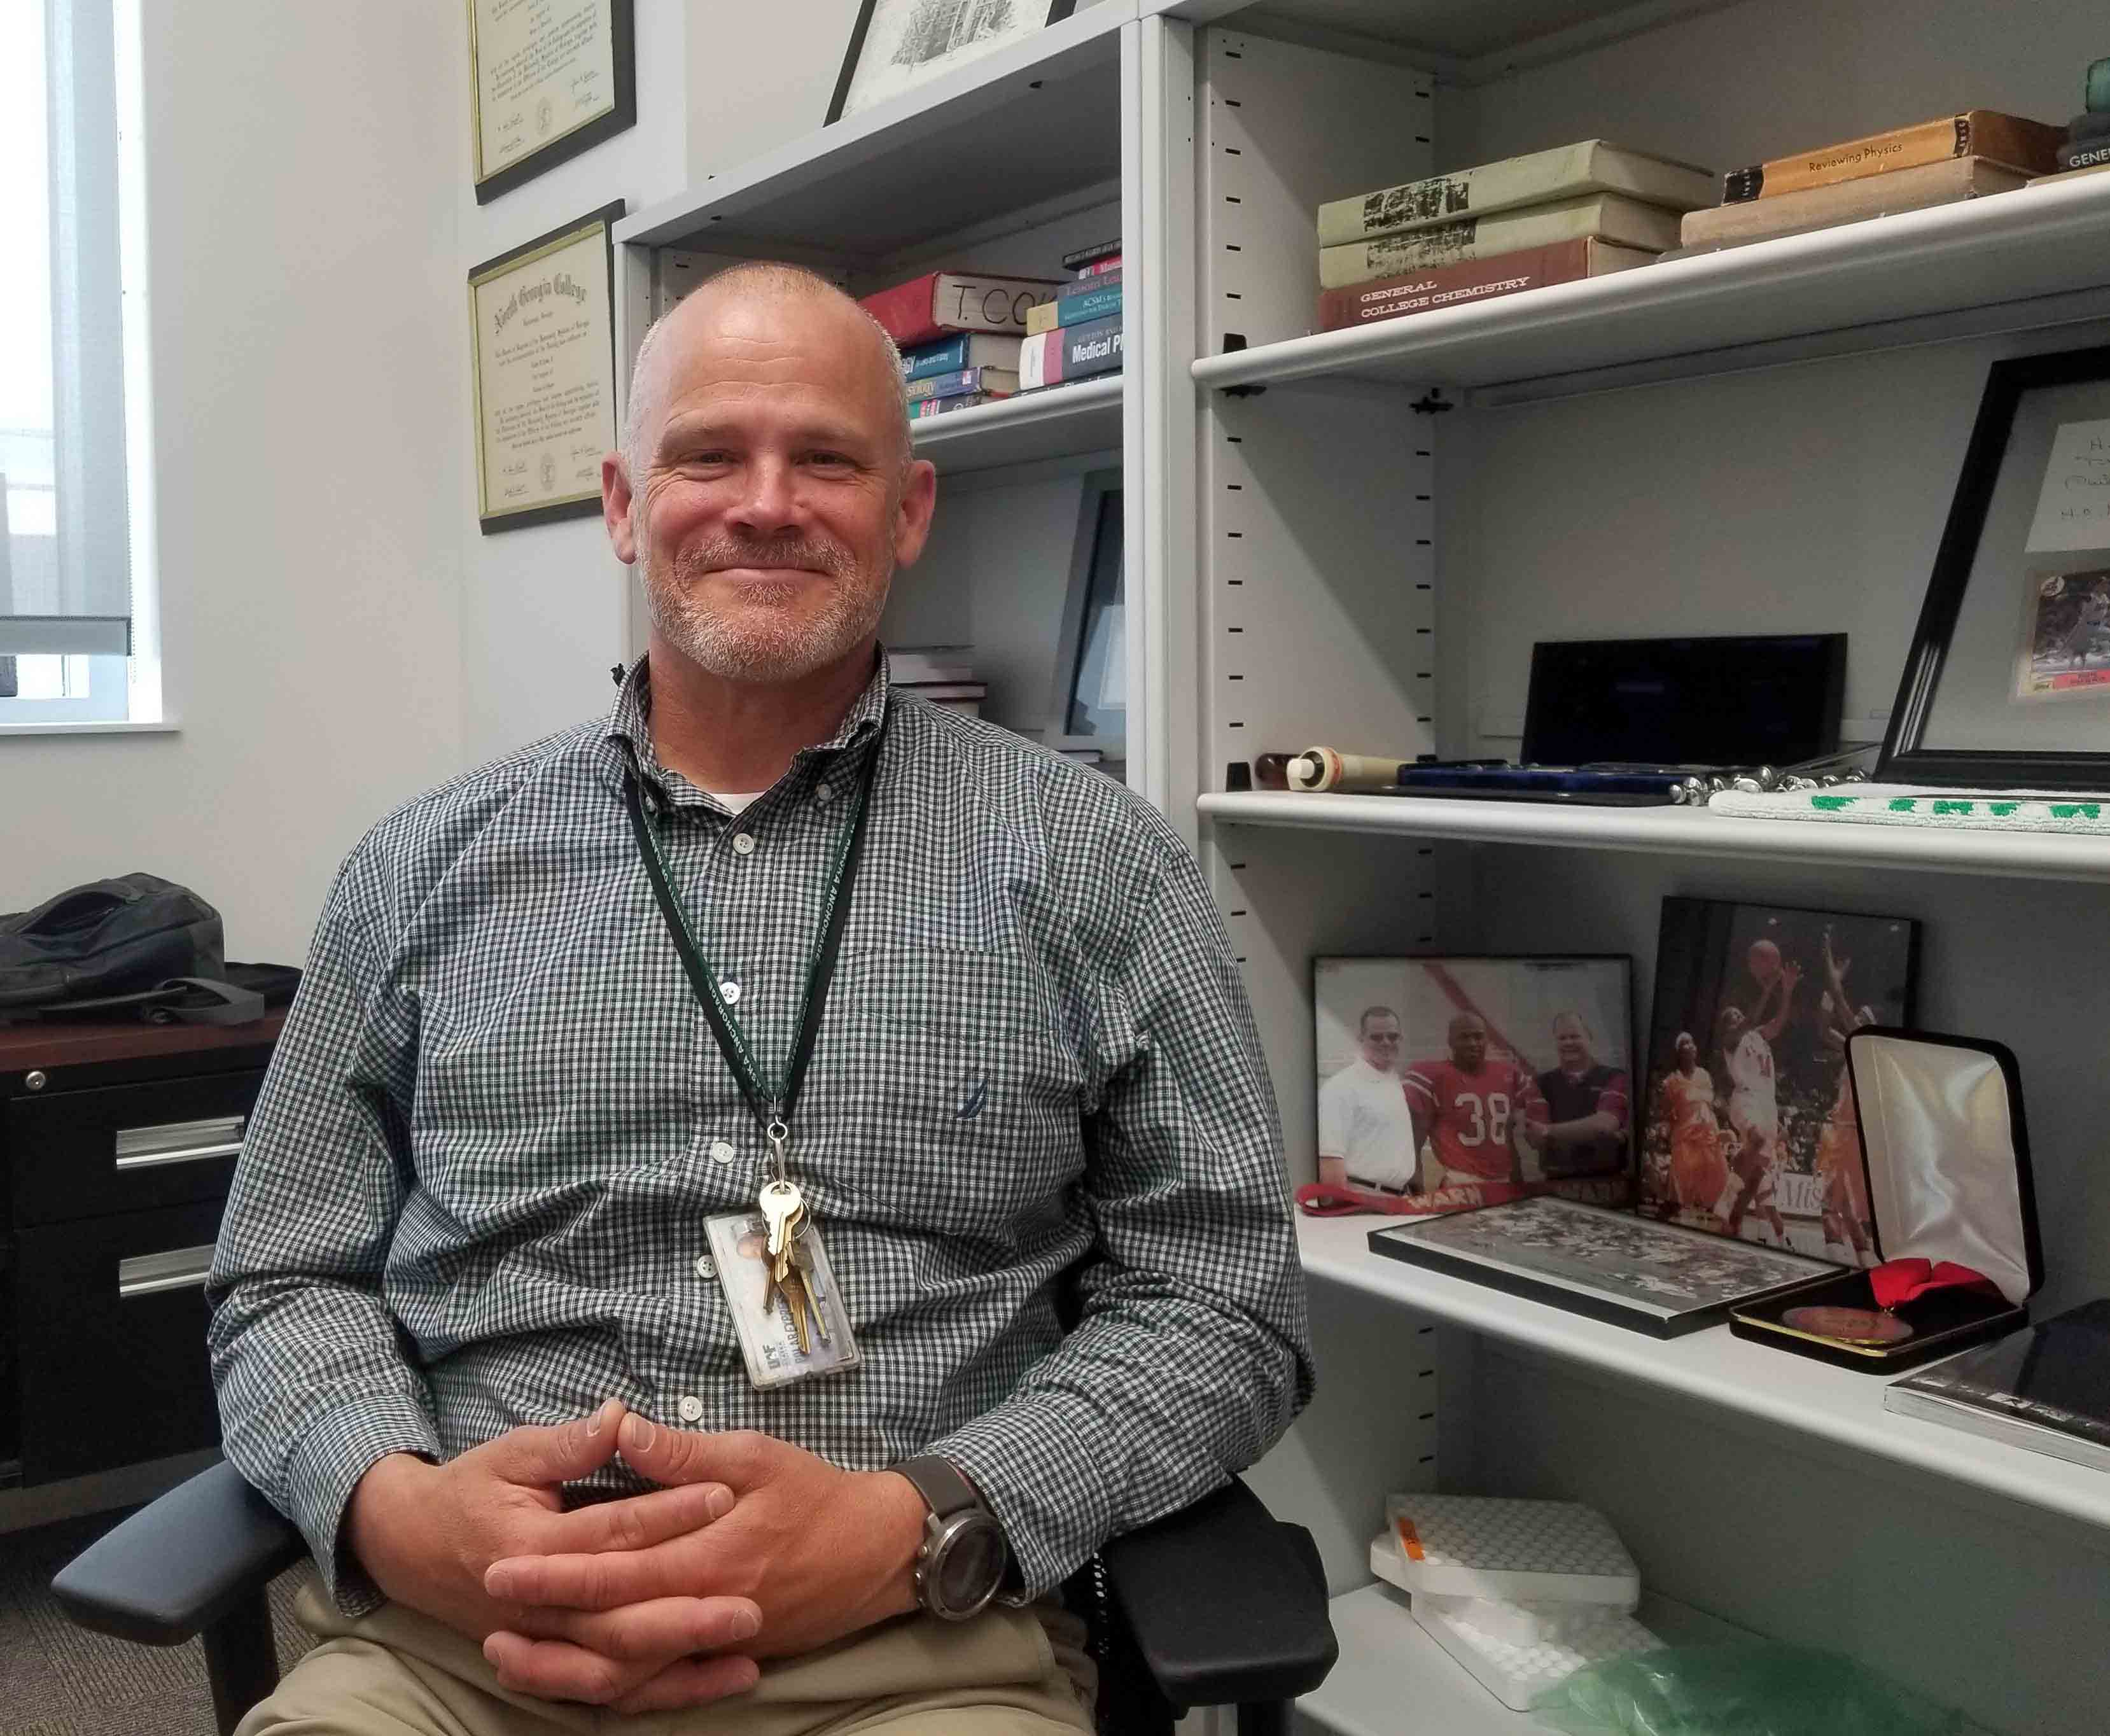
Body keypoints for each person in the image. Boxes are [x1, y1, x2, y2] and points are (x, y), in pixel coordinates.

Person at [206, 262, 1313, 1736]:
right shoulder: (418, 869)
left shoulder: (1101, 867)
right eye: (707, 453)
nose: (765, 502)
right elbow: (282, 1280)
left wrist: (921, 1518)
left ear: (906, 509)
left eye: (827, 458)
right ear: (622, 501)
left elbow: (1221, 1303)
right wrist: (397, 1510)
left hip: (907, 1646)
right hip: (455, 1647)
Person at [1400, 1012, 1546, 1193]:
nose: (1472, 1043)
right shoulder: (1433, 1075)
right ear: (1450, 1041)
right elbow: (1416, 1138)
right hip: (1460, 1182)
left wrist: (1517, 1178)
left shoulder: (1508, 1073)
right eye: (1464, 1037)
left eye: (1478, 1037)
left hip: (1503, 1180)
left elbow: (1508, 1135)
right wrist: (1417, 1187)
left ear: (1487, 1039)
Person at [1715, 957, 1800, 1247]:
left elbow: (1778, 1023)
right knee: (1755, 1138)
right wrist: (1768, 989)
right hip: (1746, 1098)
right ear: (1727, 1027)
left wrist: (1786, 991)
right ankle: (1725, 1201)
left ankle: (1733, 1223)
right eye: (1733, 1017)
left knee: (1756, 1177)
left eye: (1739, 1015)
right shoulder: (1732, 1040)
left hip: (1767, 1104)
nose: (1739, 1019)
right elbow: (1752, 1019)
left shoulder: (1759, 1037)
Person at [1317, 1005, 1416, 1193]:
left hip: (1399, 1196)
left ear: (1401, 1039)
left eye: (1393, 1036)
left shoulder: (1396, 1082)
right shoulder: (1341, 1087)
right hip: (1362, 1197)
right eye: (1376, 1037)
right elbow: (1330, 1160)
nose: (1386, 1042)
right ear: (1361, 1039)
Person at [1530, 1011, 1631, 1179]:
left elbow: (1604, 1125)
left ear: (1589, 1038)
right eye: (1562, 1038)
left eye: (1575, 1036)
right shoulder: (1540, 1083)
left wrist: (1548, 1131)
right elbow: (1534, 1136)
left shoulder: (1615, 1077)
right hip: (1555, 1184)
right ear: (1555, 1042)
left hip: (1606, 1184)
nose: (1568, 1042)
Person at [1654, 1032, 1728, 1219]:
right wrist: (1666, 1127)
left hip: (1709, 1133)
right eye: (1685, 1043)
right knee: (1680, 1175)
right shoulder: (1671, 1081)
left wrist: (1719, 1108)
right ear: (1679, 1052)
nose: (1690, 1046)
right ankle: (1670, 1207)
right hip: (1686, 1134)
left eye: (1692, 1042)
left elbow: (1712, 1103)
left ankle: (1714, 1210)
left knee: (1717, 1172)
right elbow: (1666, 1111)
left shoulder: (1705, 1075)